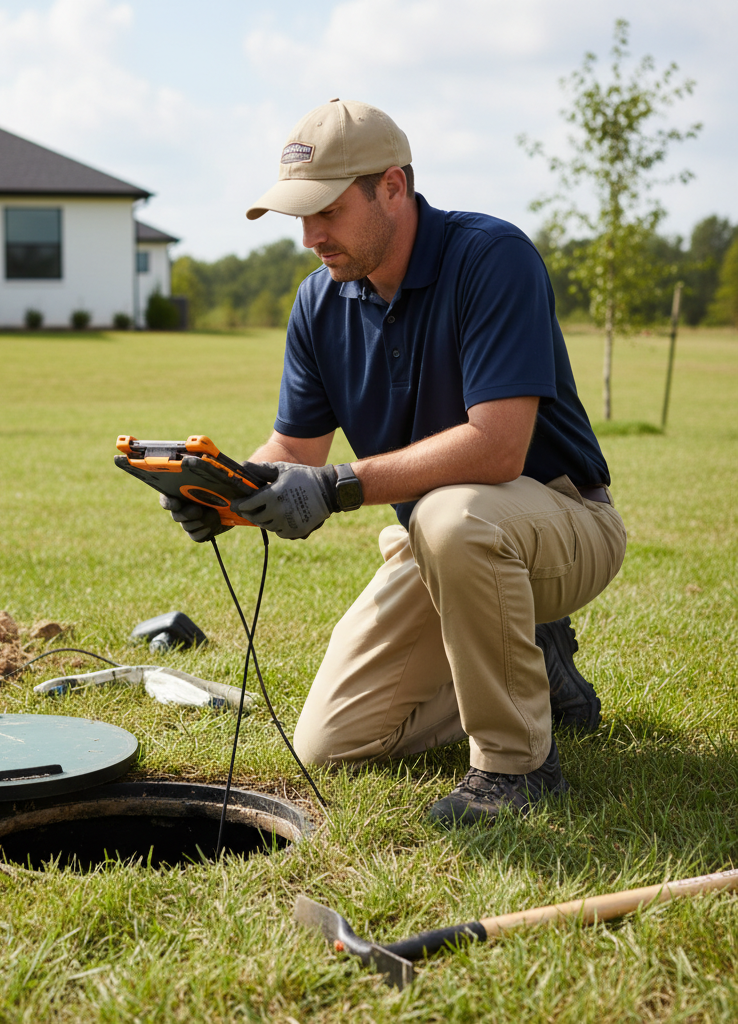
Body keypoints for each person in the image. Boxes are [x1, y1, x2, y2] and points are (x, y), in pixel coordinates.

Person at [161, 99, 627, 827]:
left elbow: (498, 446)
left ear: (393, 187)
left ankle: (517, 767)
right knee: (332, 740)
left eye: (327, 211)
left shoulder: (490, 258)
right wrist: (222, 489)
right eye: (299, 217)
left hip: (563, 523)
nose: (311, 237)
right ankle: (534, 665)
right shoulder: (319, 301)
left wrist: (343, 487)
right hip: (444, 546)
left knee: (450, 517)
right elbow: (296, 451)